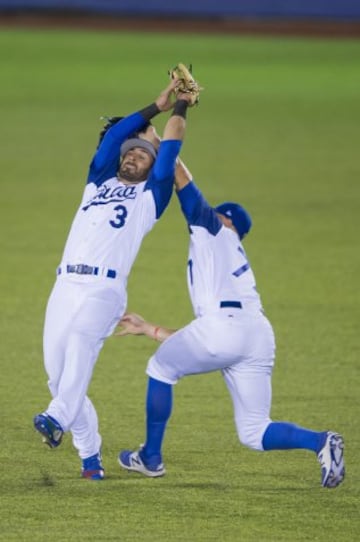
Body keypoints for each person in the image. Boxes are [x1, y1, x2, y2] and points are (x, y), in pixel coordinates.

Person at [116, 158, 345, 489]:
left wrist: (158, 142)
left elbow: (182, 180)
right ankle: (320, 441)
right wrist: (150, 329)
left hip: (224, 329)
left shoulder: (214, 230)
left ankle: (150, 458)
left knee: (160, 370)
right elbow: (207, 336)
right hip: (257, 334)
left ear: (226, 219)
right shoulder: (231, 254)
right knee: (254, 431)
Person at [33, 78, 194, 481]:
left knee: (82, 345)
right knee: (59, 377)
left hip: (105, 291)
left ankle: (55, 419)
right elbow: (114, 139)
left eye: (142, 154)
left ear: (151, 165)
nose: (133, 156)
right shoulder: (97, 184)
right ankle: (90, 458)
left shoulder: (150, 198)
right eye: (130, 153)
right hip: (65, 287)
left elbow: (170, 152)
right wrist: (155, 106)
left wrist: (180, 109)